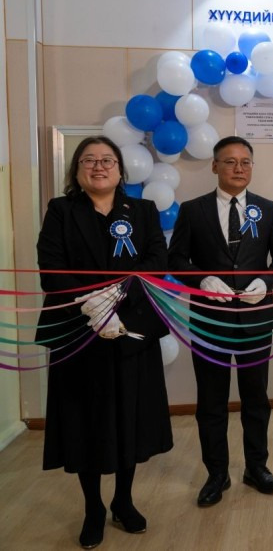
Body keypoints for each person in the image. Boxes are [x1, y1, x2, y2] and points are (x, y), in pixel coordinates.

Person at [36, 136, 173, 548]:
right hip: (78, 333)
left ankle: (123, 501)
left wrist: (117, 298)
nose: (99, 166)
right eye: (89, 160)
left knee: (130, 418)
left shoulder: (142, 211)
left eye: (107, 160)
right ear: (77, 170)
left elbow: (156, 262)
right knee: (85, 422)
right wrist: (92, 303)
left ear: (120, 170)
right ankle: (93, 507)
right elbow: (51, 268)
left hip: (131, 331)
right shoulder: (60, 211)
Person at [168, 136, 273, 506]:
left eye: (245, 162)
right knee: (211, 401)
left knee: (256, 398)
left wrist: (267, 281)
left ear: (252, 166)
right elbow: (176, 260)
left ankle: (257, 467)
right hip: (210, 322)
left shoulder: (267, 209)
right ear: (215, 166)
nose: (239, 168)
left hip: (256, 320)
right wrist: (201, 279)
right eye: (230, 161)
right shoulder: (193, 210)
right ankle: (216, 474)